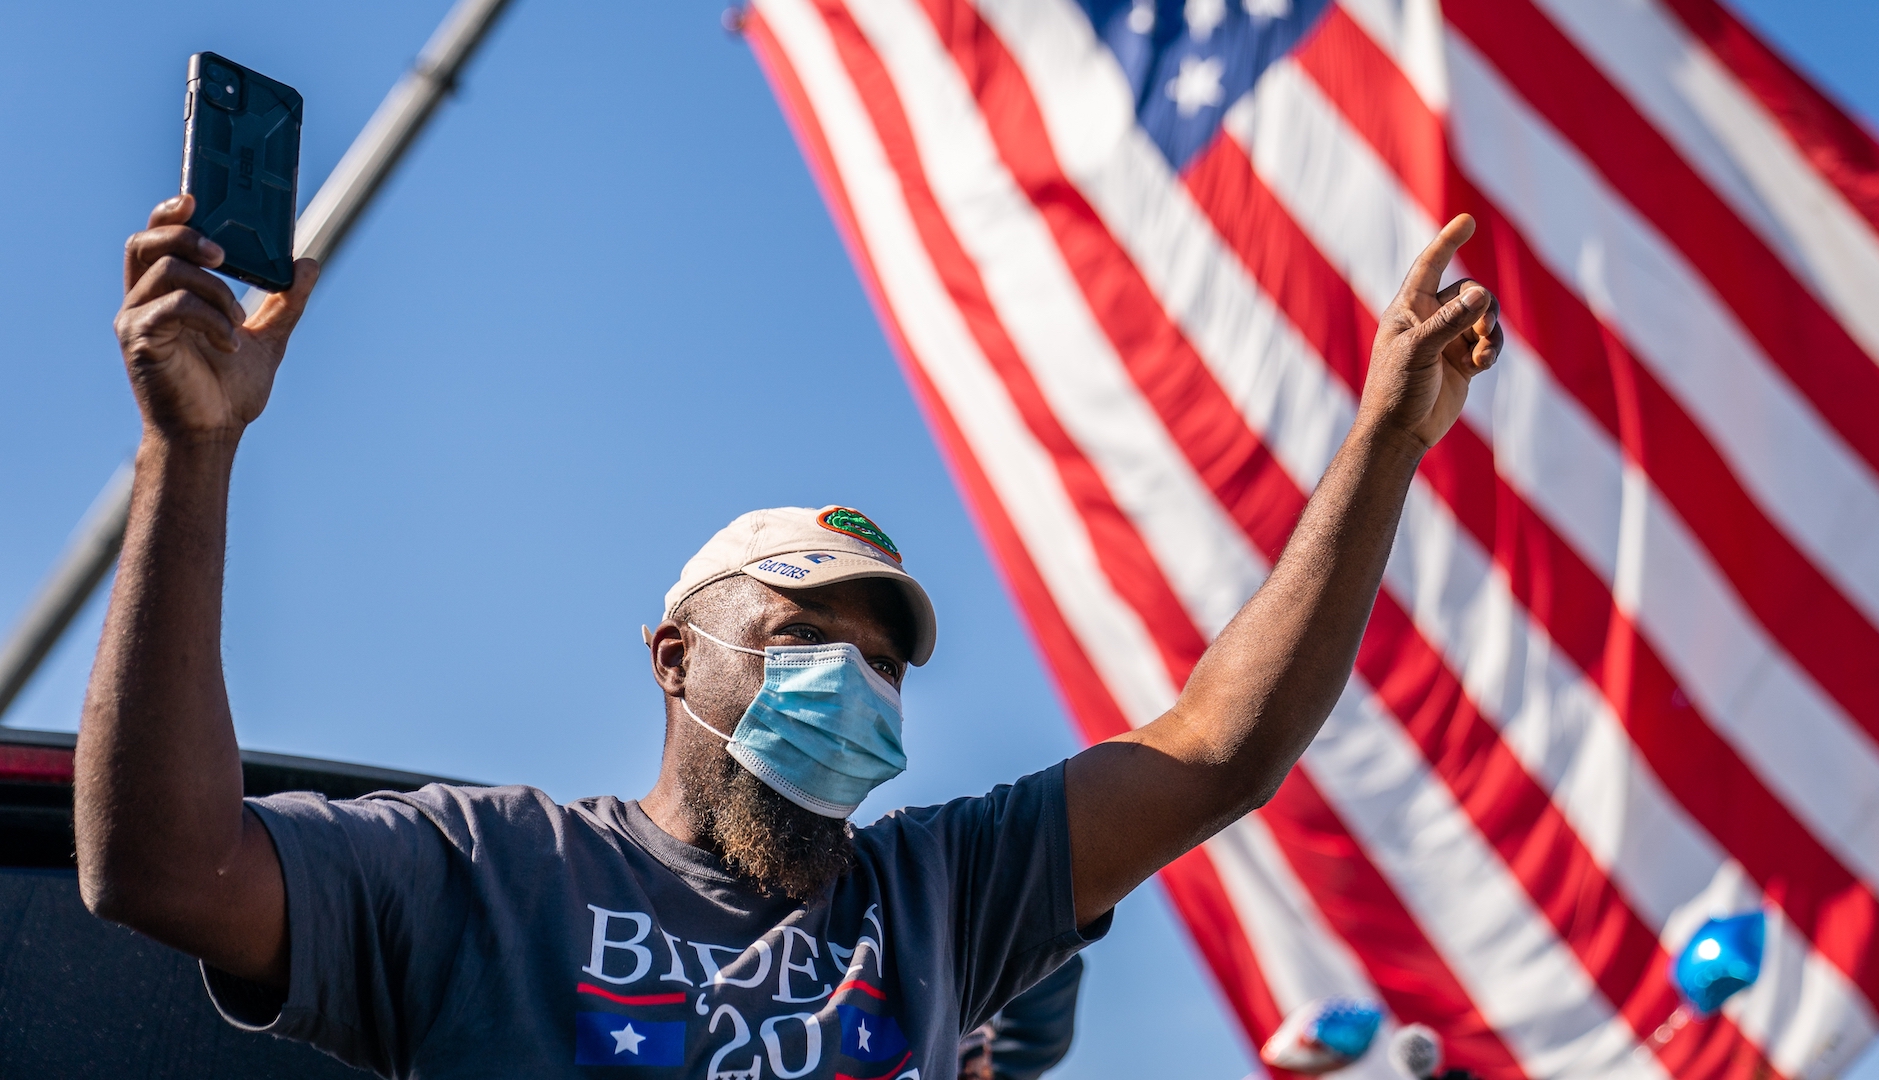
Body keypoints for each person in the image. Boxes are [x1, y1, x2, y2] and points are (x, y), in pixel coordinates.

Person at [76, 194, 1501, 1079]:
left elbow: (1219, 751)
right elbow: (163, 868)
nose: (852, 683)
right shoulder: (489, 874)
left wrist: (1383, 443)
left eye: (882, 662)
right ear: (673, 660)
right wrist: (189, 454)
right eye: (803, 633)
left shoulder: (939, 900)